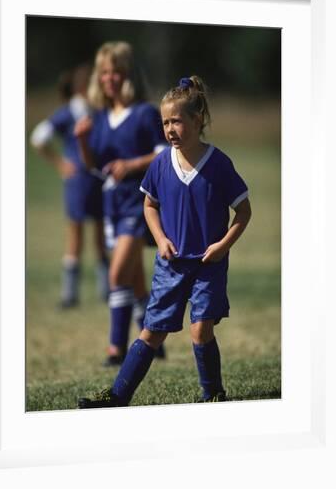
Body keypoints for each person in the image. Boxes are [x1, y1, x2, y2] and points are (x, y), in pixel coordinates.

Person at [78, 75, 252, 407]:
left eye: (176, 121)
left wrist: (223, 246)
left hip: (207, 265)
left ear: (197, 119)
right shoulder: (160, 164)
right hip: (170, 264)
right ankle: (117, 396)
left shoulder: (219, 164)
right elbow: (149, 204)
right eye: (165, 122)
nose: (169, 128)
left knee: (200, 331)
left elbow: (244, 211)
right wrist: (159, 239)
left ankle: (213, 395)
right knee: (152, 331)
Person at [74, 41, 167, 366]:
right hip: (112, 203)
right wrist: (83, 141)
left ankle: (116, 350)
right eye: (104, 72)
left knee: (116, 275)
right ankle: (152, 339)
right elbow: (95, 166)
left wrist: (130, 165)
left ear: (127, 74)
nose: (109, 78)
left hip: (141, 203)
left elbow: (163, 153)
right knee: (133, 276)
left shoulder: (144, 113)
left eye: (115, 72)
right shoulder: (99, 117)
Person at [30, 63, 109, 309]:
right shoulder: (67, 113)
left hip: (99, 180)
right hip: (77, 183)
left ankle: (107, 290)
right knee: (75, 235)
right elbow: (38, 138)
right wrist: (59, 163)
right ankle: (69, 294)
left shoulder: (99, 111)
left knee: (100, 235)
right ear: (85, 87)